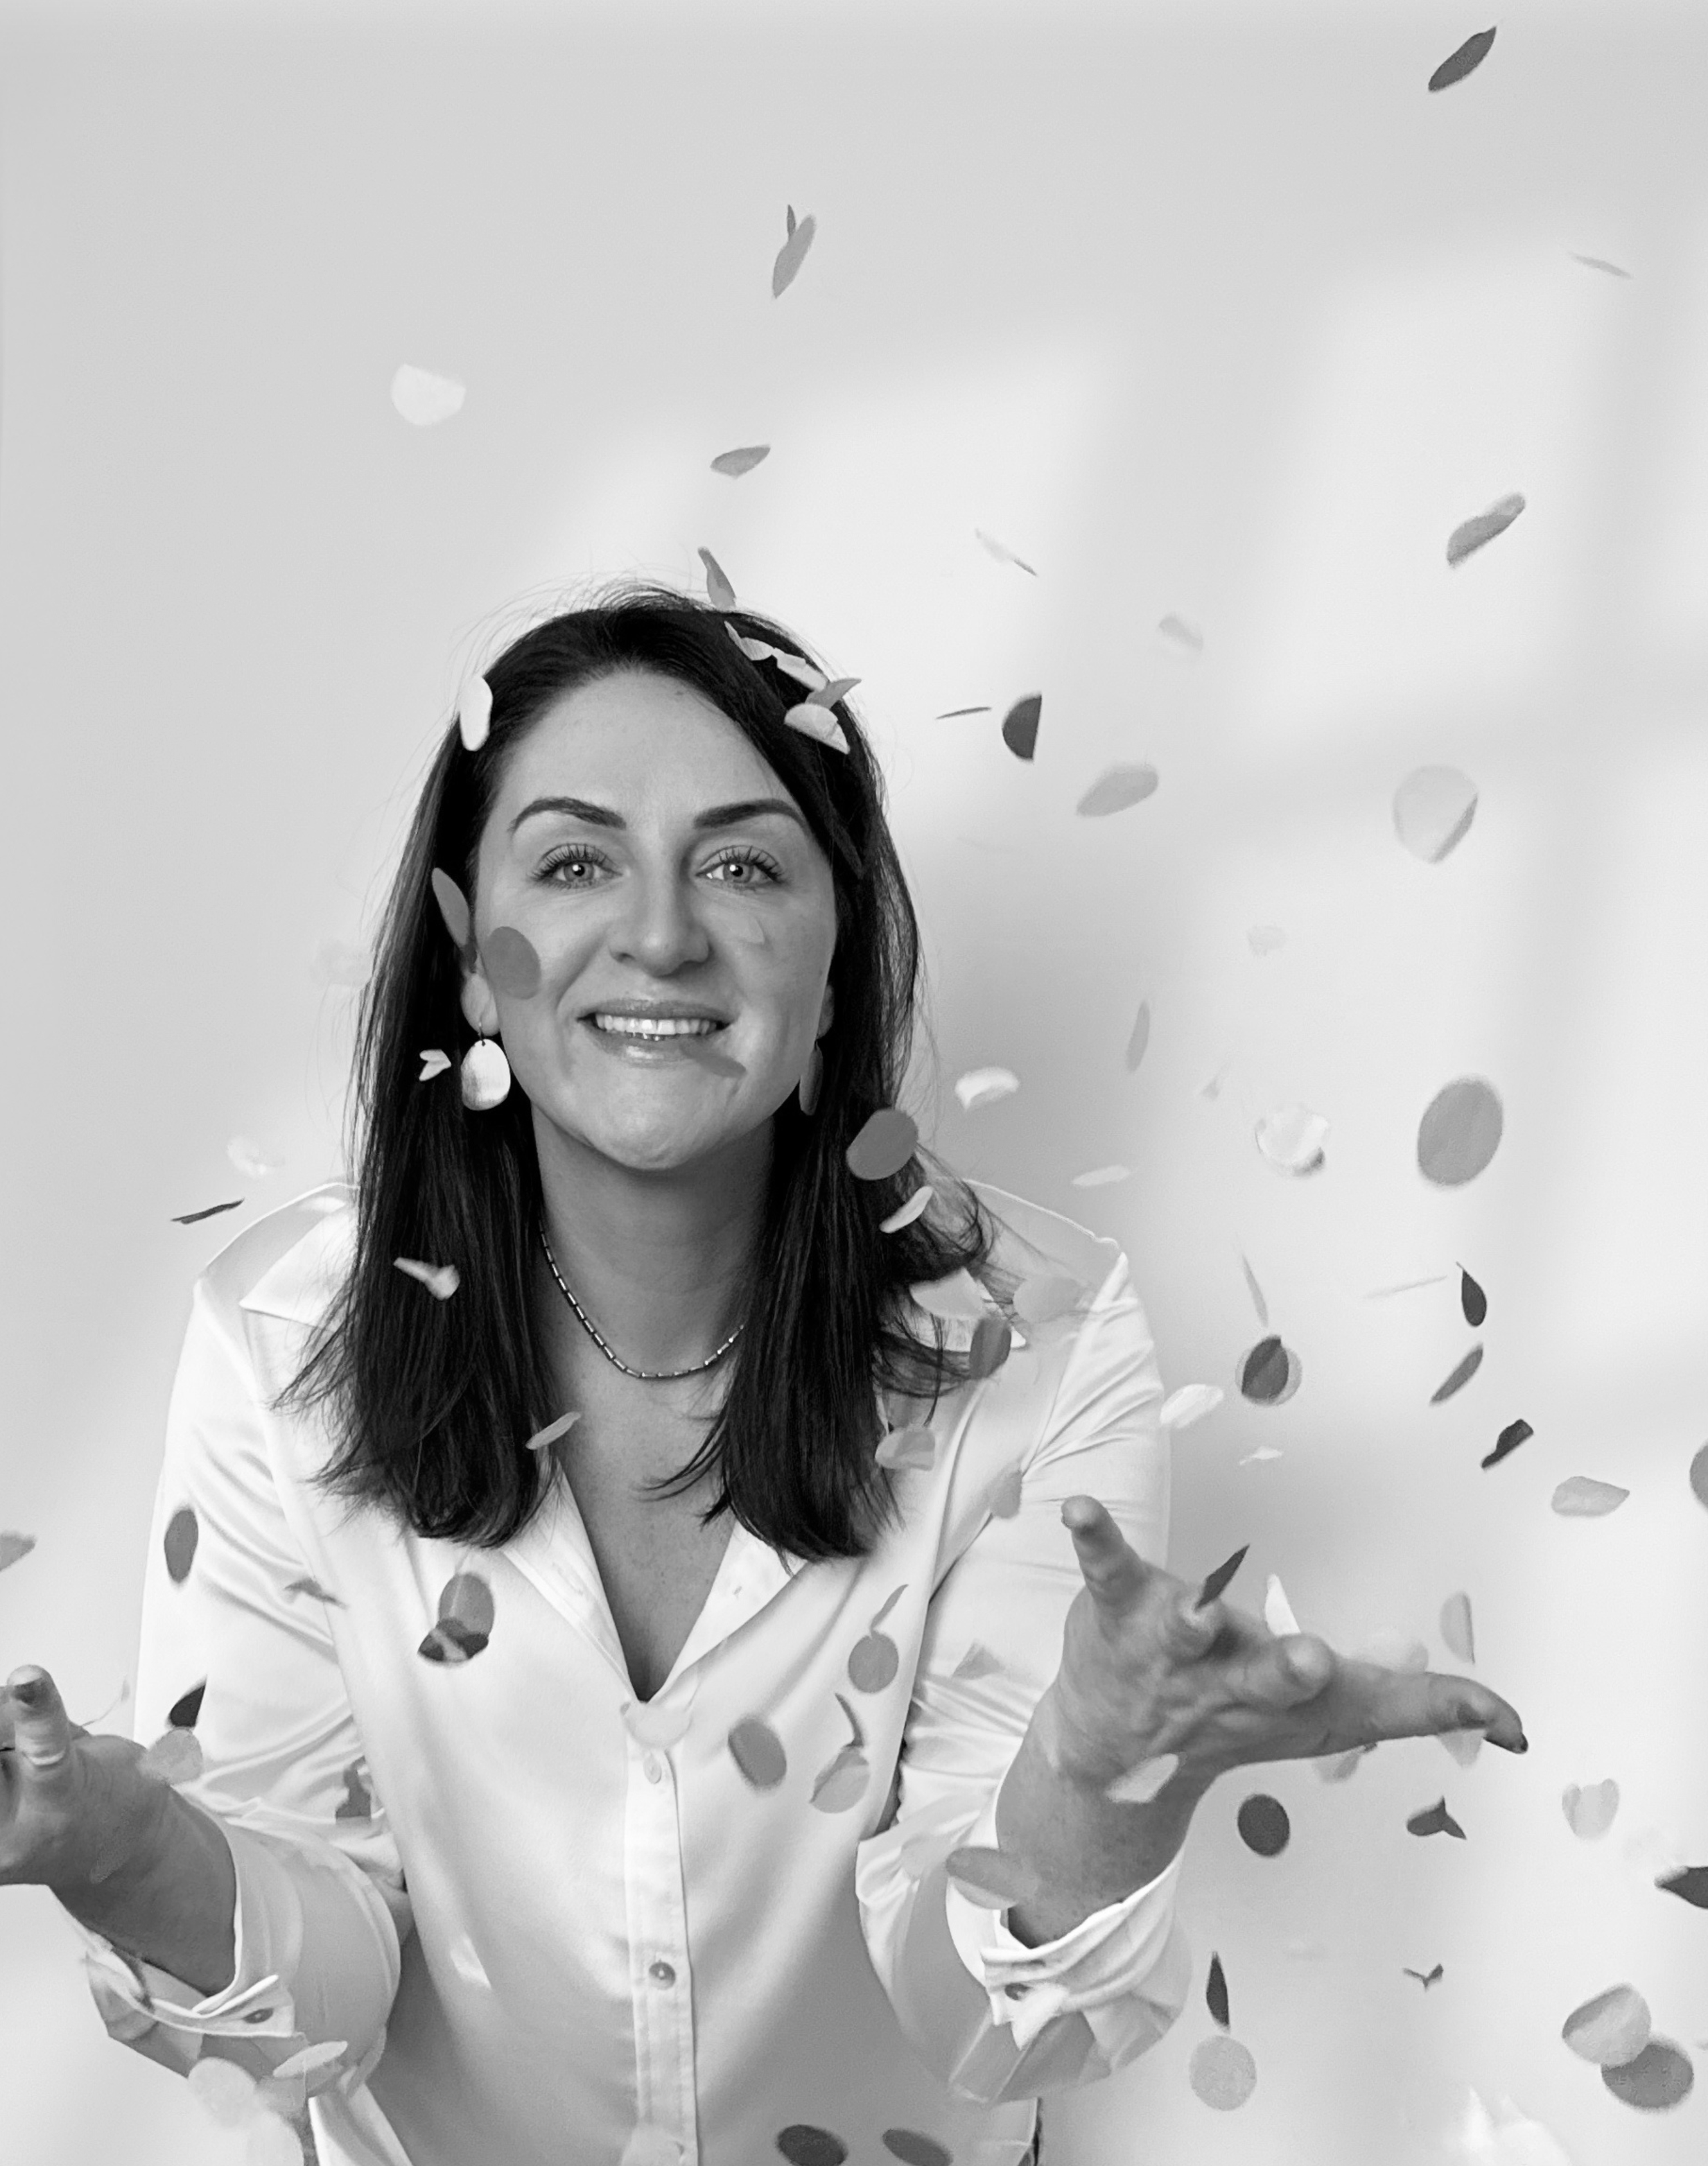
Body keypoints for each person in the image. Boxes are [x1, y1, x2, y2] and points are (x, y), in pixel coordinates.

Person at [0, 582, 1527, 2166]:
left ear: (830, 964)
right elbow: (330, 1991)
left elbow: (979, 2019)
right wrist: (110, 1845)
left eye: (740, 862)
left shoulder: (1036, 1336)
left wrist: (1096, 1770)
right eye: (575, 860)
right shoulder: (285, 1337)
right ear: (469, 958)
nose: (659, 931)